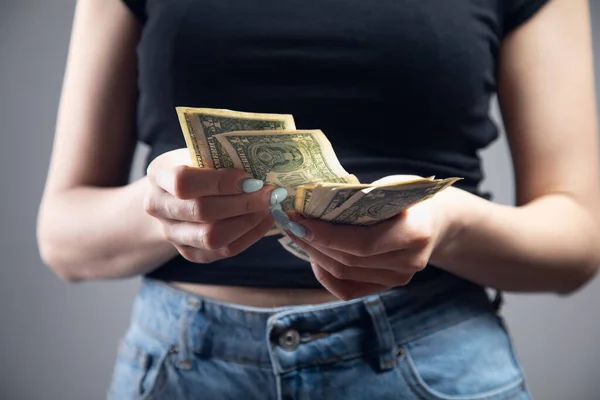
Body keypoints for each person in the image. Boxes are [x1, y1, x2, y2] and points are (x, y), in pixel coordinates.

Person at [36, 0, 600, 398]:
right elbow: (64, 238)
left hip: (433, 365)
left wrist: (449, 224)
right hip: (182, 372)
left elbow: (577, 239)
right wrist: (163, 208)